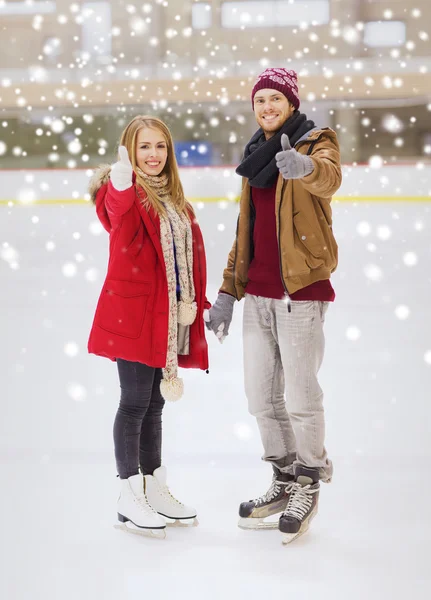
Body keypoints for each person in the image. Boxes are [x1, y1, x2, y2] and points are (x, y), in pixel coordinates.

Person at [205, 68, 342, 544]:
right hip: (258, 296)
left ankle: (308, 481)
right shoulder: (253, 158)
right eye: (260, 99)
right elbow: (248, 233)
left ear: (291, 103)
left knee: (302, 398)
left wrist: (307, 168)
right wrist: (227, 291)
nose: (267, 107)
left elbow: (330, 176)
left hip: (300, 294)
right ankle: (283, 478)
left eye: (275, 99)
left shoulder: (314, 142)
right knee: (261, 399)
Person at [88, 115, 210, 537]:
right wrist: (120, 183)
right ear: (130, 151)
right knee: (134, 401)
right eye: (144, 147)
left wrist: (198, 303)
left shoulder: (175, 200)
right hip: (134, 316)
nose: (153, 155)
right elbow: (113, 213)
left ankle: (154, 485)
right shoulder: (123, 192)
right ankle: (128, 493)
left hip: (167, 314)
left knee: (155, 405)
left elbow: (186, 260)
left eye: (160, 146)